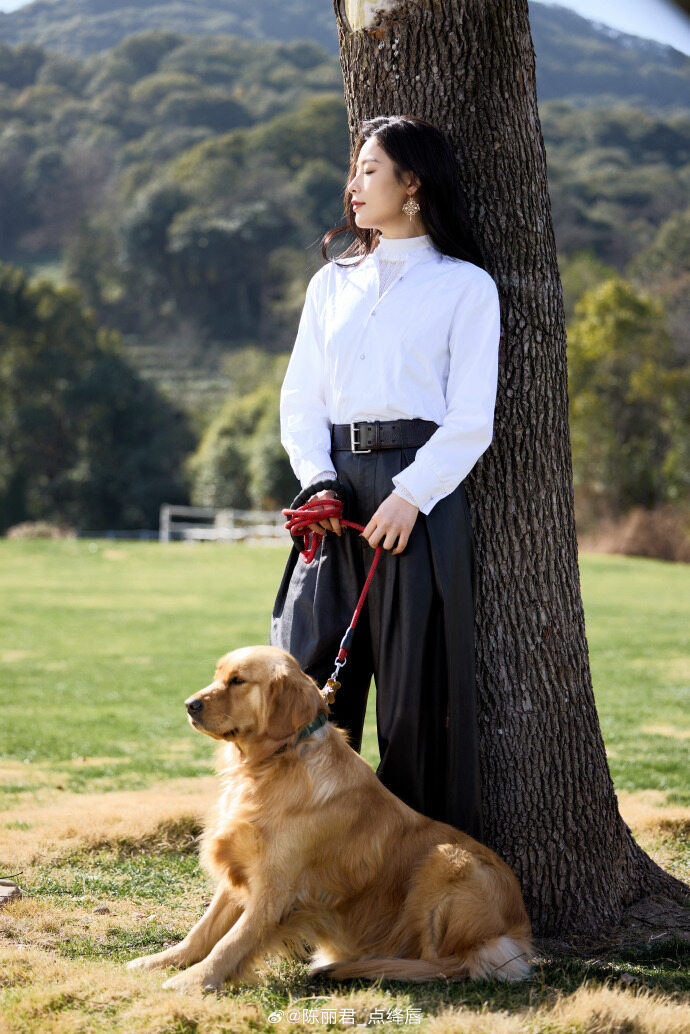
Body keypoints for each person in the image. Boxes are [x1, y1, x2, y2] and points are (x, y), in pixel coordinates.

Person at [270, 114, 500, 844]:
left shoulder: (466, 286)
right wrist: (318, 482)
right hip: (333, 495)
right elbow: (300, 401)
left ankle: (411, 881)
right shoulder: (330, 284)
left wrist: (410, 496)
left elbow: (472, 417)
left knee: (414, 699)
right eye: (355, 168)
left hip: (418, 497)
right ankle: (295, 861)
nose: (354, 184)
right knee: (305, 683)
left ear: (413, 184)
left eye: (370, 169)